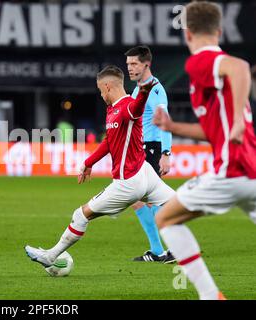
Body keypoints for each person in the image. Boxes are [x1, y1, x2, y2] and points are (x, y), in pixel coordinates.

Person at [152, 1, 256, 300]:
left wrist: (237, 120)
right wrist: (174, 127)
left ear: (187, 34)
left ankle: (210, 296)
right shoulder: (219, 79)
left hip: (231, 171)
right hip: (251, 171)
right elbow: (214, 132)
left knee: (166, 219)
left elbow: (240, 66)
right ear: (219, 30)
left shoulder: (201, 61)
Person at [25, 65, 175, 267]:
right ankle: (183, 249)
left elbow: (137, 108)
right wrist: (89, 163)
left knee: (81, 215)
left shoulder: (128, 106)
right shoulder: (112, 110)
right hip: (144, 173)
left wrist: (145, 92)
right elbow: (108, 142)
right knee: (177, 202)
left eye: (100, 90)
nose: (100, 94)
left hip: (128, 181)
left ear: (107, 86)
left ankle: (50, 256)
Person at [125, 45, 175, 263]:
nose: (130, 68)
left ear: (147, 64)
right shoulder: (139, 89)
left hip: (152, 149)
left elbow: (163, 120)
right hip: (143, 150)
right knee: (139, 200)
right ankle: (159, 250)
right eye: (128, 64)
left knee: (149, 199)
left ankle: (169, 249)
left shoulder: (154, 89)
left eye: (134, 63)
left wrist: (166, 153)